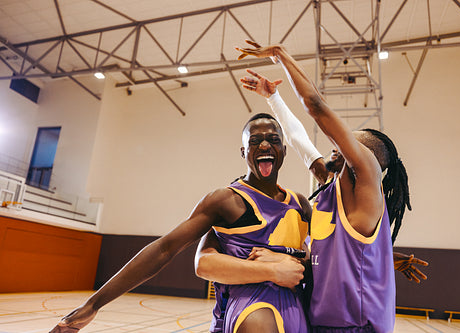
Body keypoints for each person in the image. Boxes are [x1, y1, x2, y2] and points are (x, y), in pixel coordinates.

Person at [49, 113, 310, 333]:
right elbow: (165, 249)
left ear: (284, 151)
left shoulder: (300, 202)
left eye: (273, 140)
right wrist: (94, 304)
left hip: (298, 302)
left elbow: (324, 258)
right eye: (255, 141)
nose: (265, 145)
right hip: (252, 303)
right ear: (244, 152)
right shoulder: (226, 200)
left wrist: (292, 262)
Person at [235, 40, 413, 333]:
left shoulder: (366, 186)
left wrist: (281, 55)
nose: (336, 143)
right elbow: (299, 140)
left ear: (365, 159)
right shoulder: (332, 186)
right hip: (317, 319)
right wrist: (273, 98)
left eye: (347, 141)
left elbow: (315, 107)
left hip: (354, 327)